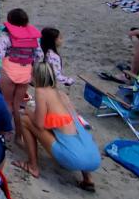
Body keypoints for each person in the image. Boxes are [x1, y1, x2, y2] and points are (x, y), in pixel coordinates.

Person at [13, 62, 99, 190]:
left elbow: (39, 125)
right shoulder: (62, 95)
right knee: (70, 133)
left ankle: (33, 166)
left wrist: (27, 111)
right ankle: (88, 179)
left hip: (72, 158)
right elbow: (58, 123)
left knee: (25, 120)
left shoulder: (41, 91)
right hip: (93, 157)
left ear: (35, 76)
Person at [0, 8, 41, 128]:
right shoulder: (33, 37)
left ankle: (5, 130)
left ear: (9, 21)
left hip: (9, 70)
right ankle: (18, 134)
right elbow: (38, 55)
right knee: (18, 104)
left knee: (7, 102)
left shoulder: (5, 35)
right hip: (25, 72)